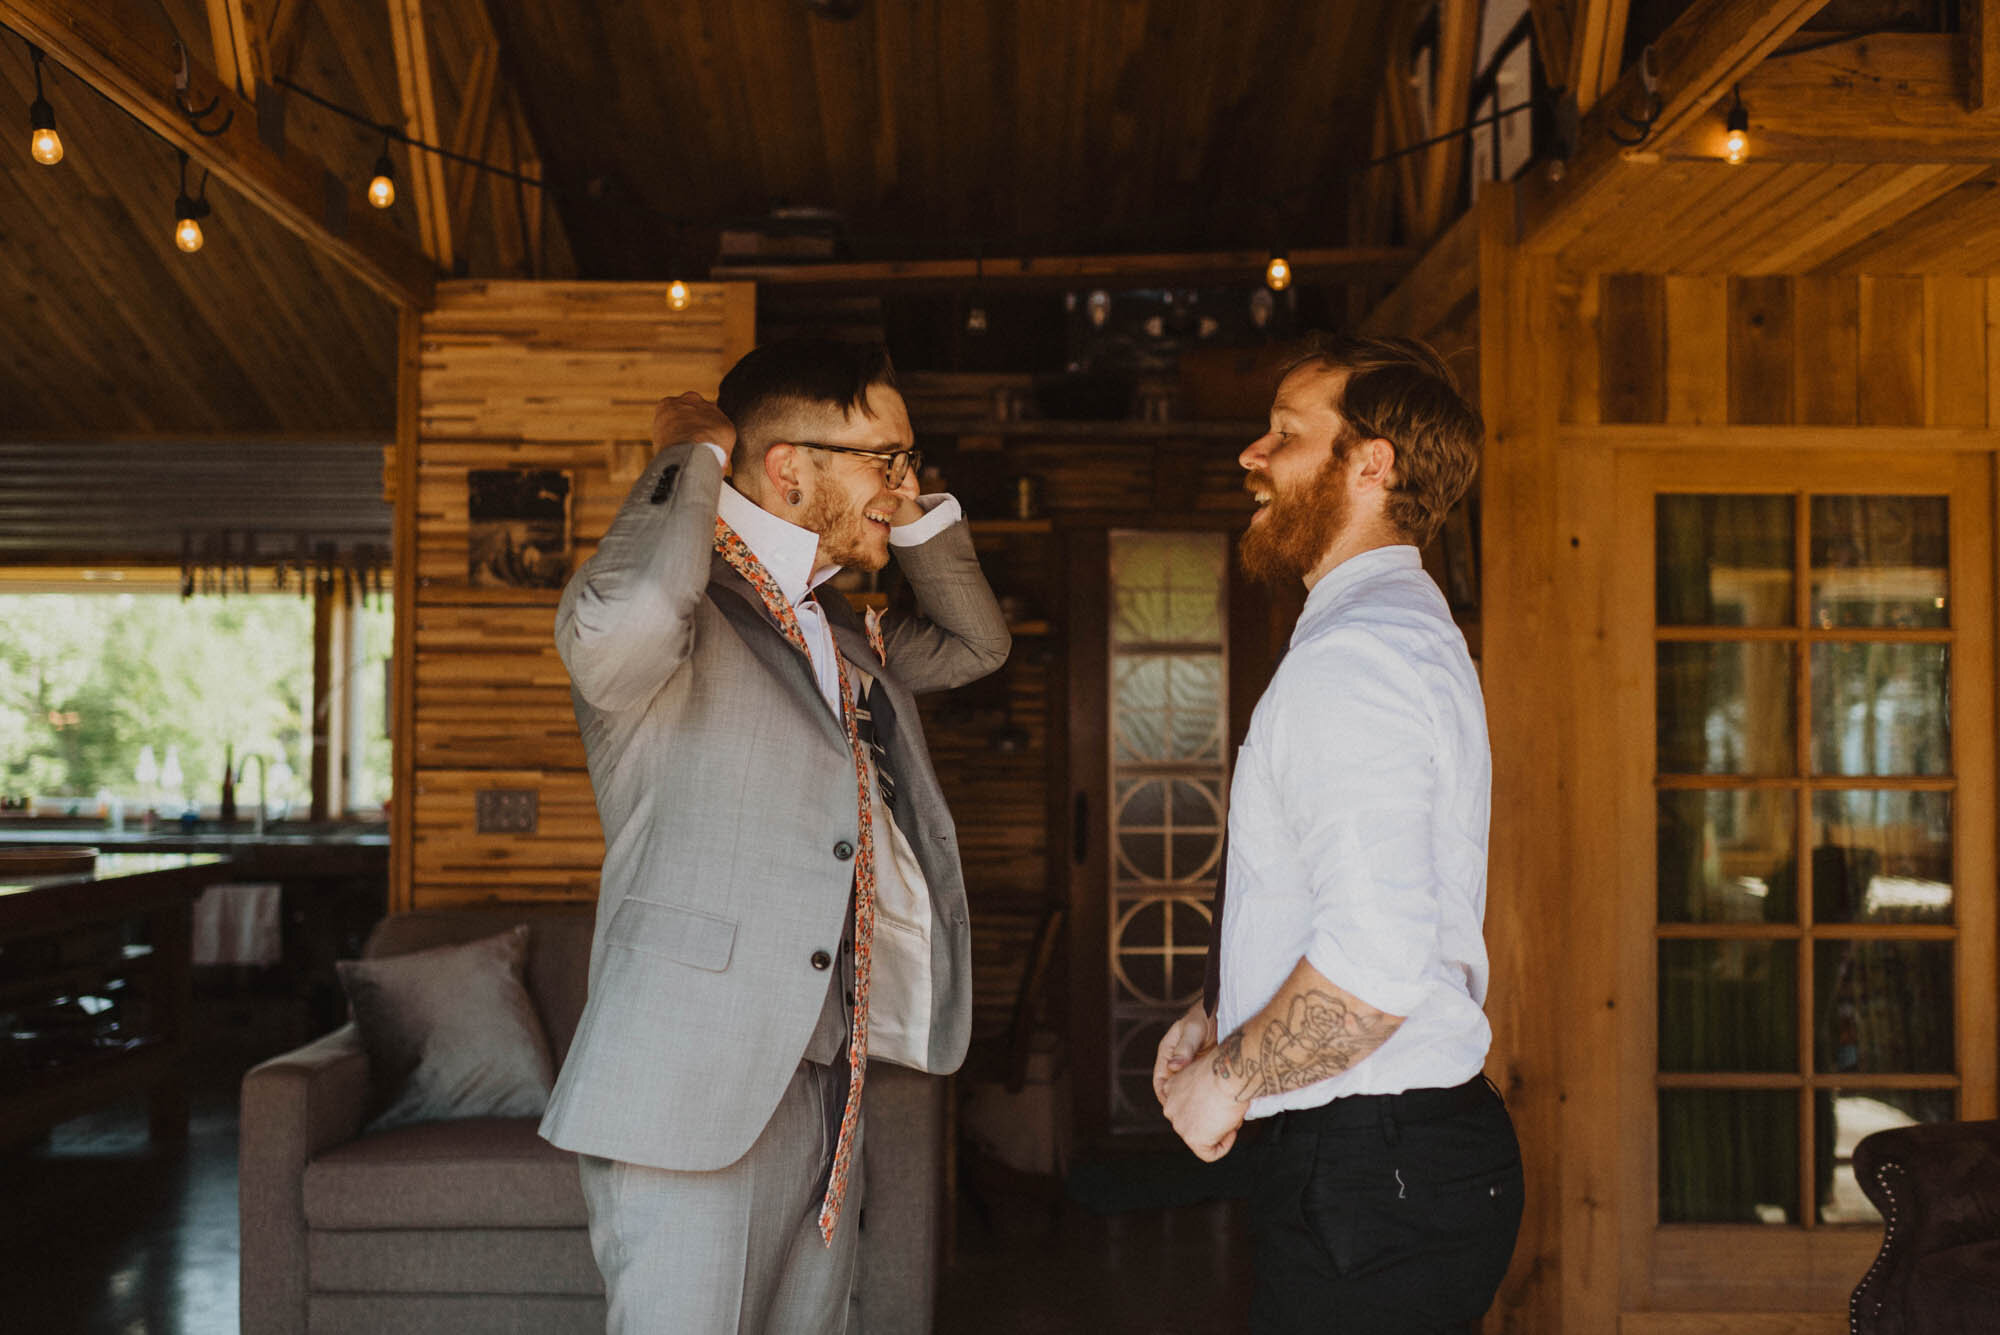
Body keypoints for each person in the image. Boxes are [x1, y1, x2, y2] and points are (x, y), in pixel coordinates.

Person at [540, 339, 1010, 1333]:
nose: (904, 480)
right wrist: (688, 454)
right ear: (786, 467)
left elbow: (977, 644)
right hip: (687, 1087)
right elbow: (621, 613)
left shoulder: (840, 632)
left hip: (820, 1083)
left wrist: (900, 504)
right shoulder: (678, 616)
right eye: (882, 457)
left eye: (908, 458)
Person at [1154, 333, 1522, 1333]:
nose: (1251, 458)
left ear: (1370, 465)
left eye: (1282, 434)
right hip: (1389, 1165)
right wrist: (1221, 1005)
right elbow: (1339, 901)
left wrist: (1222, 1082)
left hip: (1372, 1170)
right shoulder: (1387, 628)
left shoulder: (1354, 658)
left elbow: (1375, 968)